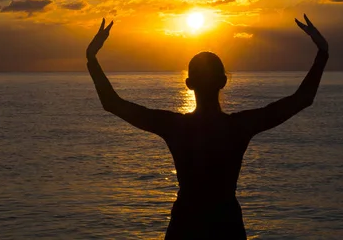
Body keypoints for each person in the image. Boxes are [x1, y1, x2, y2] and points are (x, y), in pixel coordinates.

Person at [86, 14, 329, 239]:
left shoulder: (175, 127)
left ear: (189, 84)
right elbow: (301, 99)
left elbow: (112, 103)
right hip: (226, 226)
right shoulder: (239, 126)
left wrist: (92, 59)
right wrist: (322, 54)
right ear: (223, 81)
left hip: (185, 226)